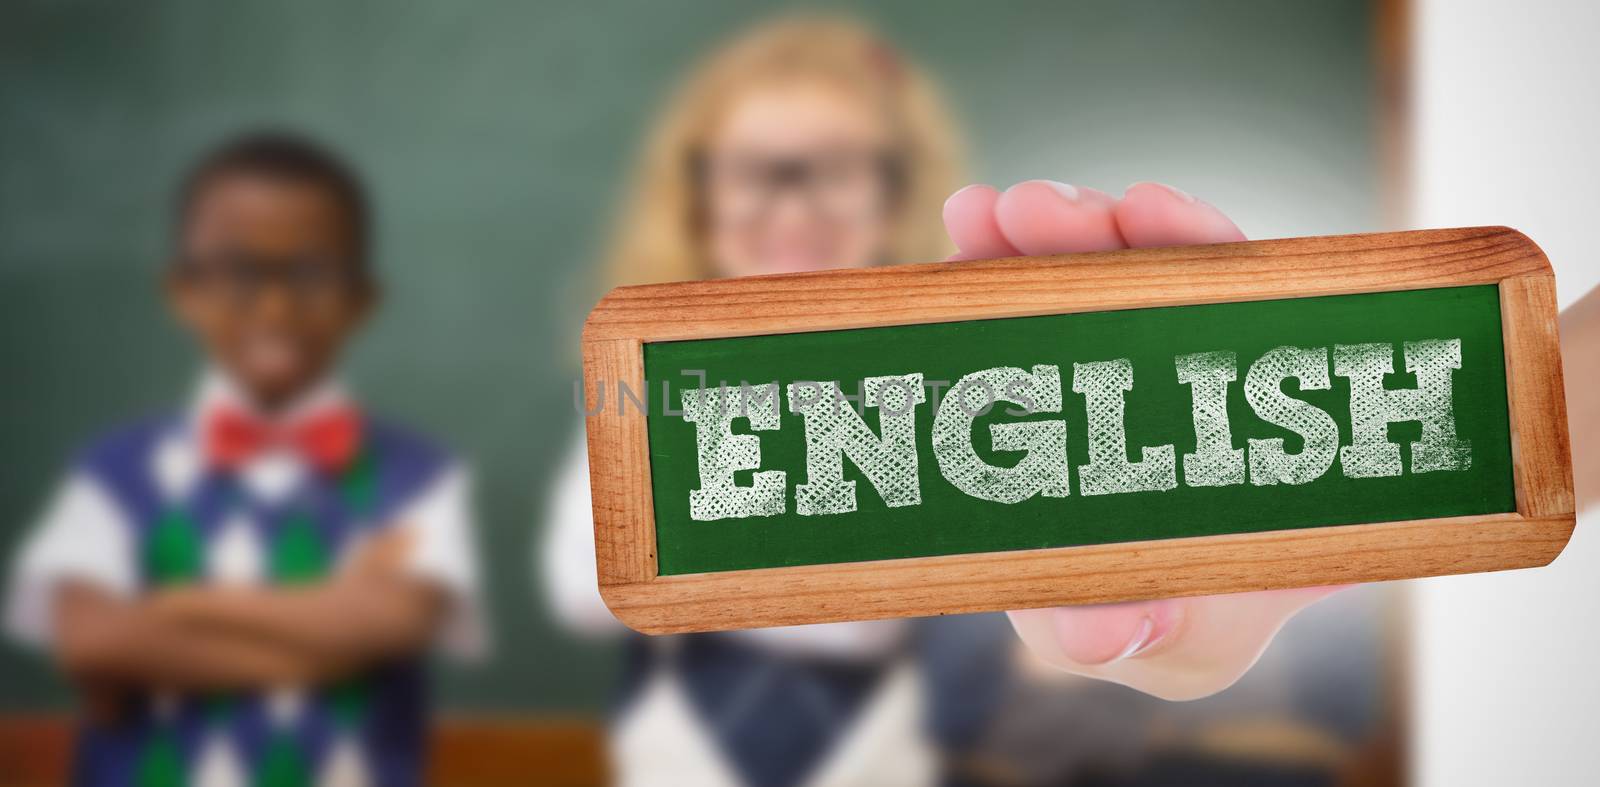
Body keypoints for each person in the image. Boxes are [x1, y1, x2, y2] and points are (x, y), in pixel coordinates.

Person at [543, 17, 1010, 787]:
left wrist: (701, 555)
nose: (793, 208)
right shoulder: (645, 375)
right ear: (696, 198)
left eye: (835, 170)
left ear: (894, 195)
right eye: (755, 172)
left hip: (889, 750)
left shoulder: (943, 387)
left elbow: (893, 617)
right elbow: (587, 580)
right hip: (680, 753)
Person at [4, 132, 484, 787]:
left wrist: (175, 606)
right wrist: (322, 643)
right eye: (238, 271)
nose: (275, 305)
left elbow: (392, 618)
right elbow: (91, 639)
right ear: (183, 290)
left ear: (363, 299)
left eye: (313, 274)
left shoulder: (418, 475)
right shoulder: (113, 471)